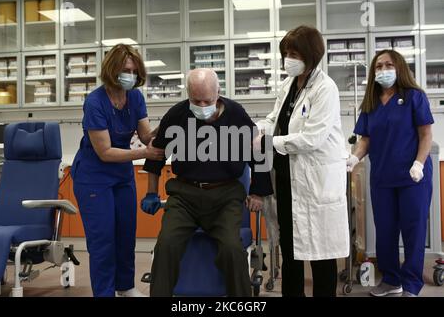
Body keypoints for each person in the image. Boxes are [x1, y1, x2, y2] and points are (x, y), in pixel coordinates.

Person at [141, 68, 273, 297]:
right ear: (188, 95)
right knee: (166, 246)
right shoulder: (177, 115)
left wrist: (258, 193)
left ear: (218, 93)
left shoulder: (236, 114)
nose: (202, 106)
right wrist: (151, 192)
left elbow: (259, 153)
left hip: (225, 197)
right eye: (196, 100)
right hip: (184, 197)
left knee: (232, 249)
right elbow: (156, 155)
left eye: (207, 100)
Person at [255, 26, 349, 297]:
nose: (288, 59)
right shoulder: (287, 85)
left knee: (322, 256)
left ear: (311, 55)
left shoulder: (325, 89)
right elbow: (275, 119)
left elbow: (312, 138)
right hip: (287, 180)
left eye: (294, 53)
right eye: (286, 53)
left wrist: (269, 142)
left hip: (316, 182)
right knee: (290, 251)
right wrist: (259, 129)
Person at [71, 44, 164, 297]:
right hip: (94, 177)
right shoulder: (95, 102)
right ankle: (104, 293)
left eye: (134, 71)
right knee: (103, 241)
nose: (130, 76)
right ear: (112, 70)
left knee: (125, 235)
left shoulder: (135, 96)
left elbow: (145, 136)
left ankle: (126, 287)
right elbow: (105, 152)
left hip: (121, 175)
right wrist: (145, 153)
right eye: (125, 70)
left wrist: (165, 129)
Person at [347, 49, 434, 297]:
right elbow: (365, 140)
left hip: (412, 178)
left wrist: (418, 163)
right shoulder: (371, 103)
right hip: (383, 177)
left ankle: (411, 285)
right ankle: (391, 280)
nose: (383, 70)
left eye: (388, 65)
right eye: (378, 66)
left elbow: (426, 135)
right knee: (384, 231)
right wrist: (353, 157)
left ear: (400, 68)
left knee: (413, 231)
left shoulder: (414, 96)